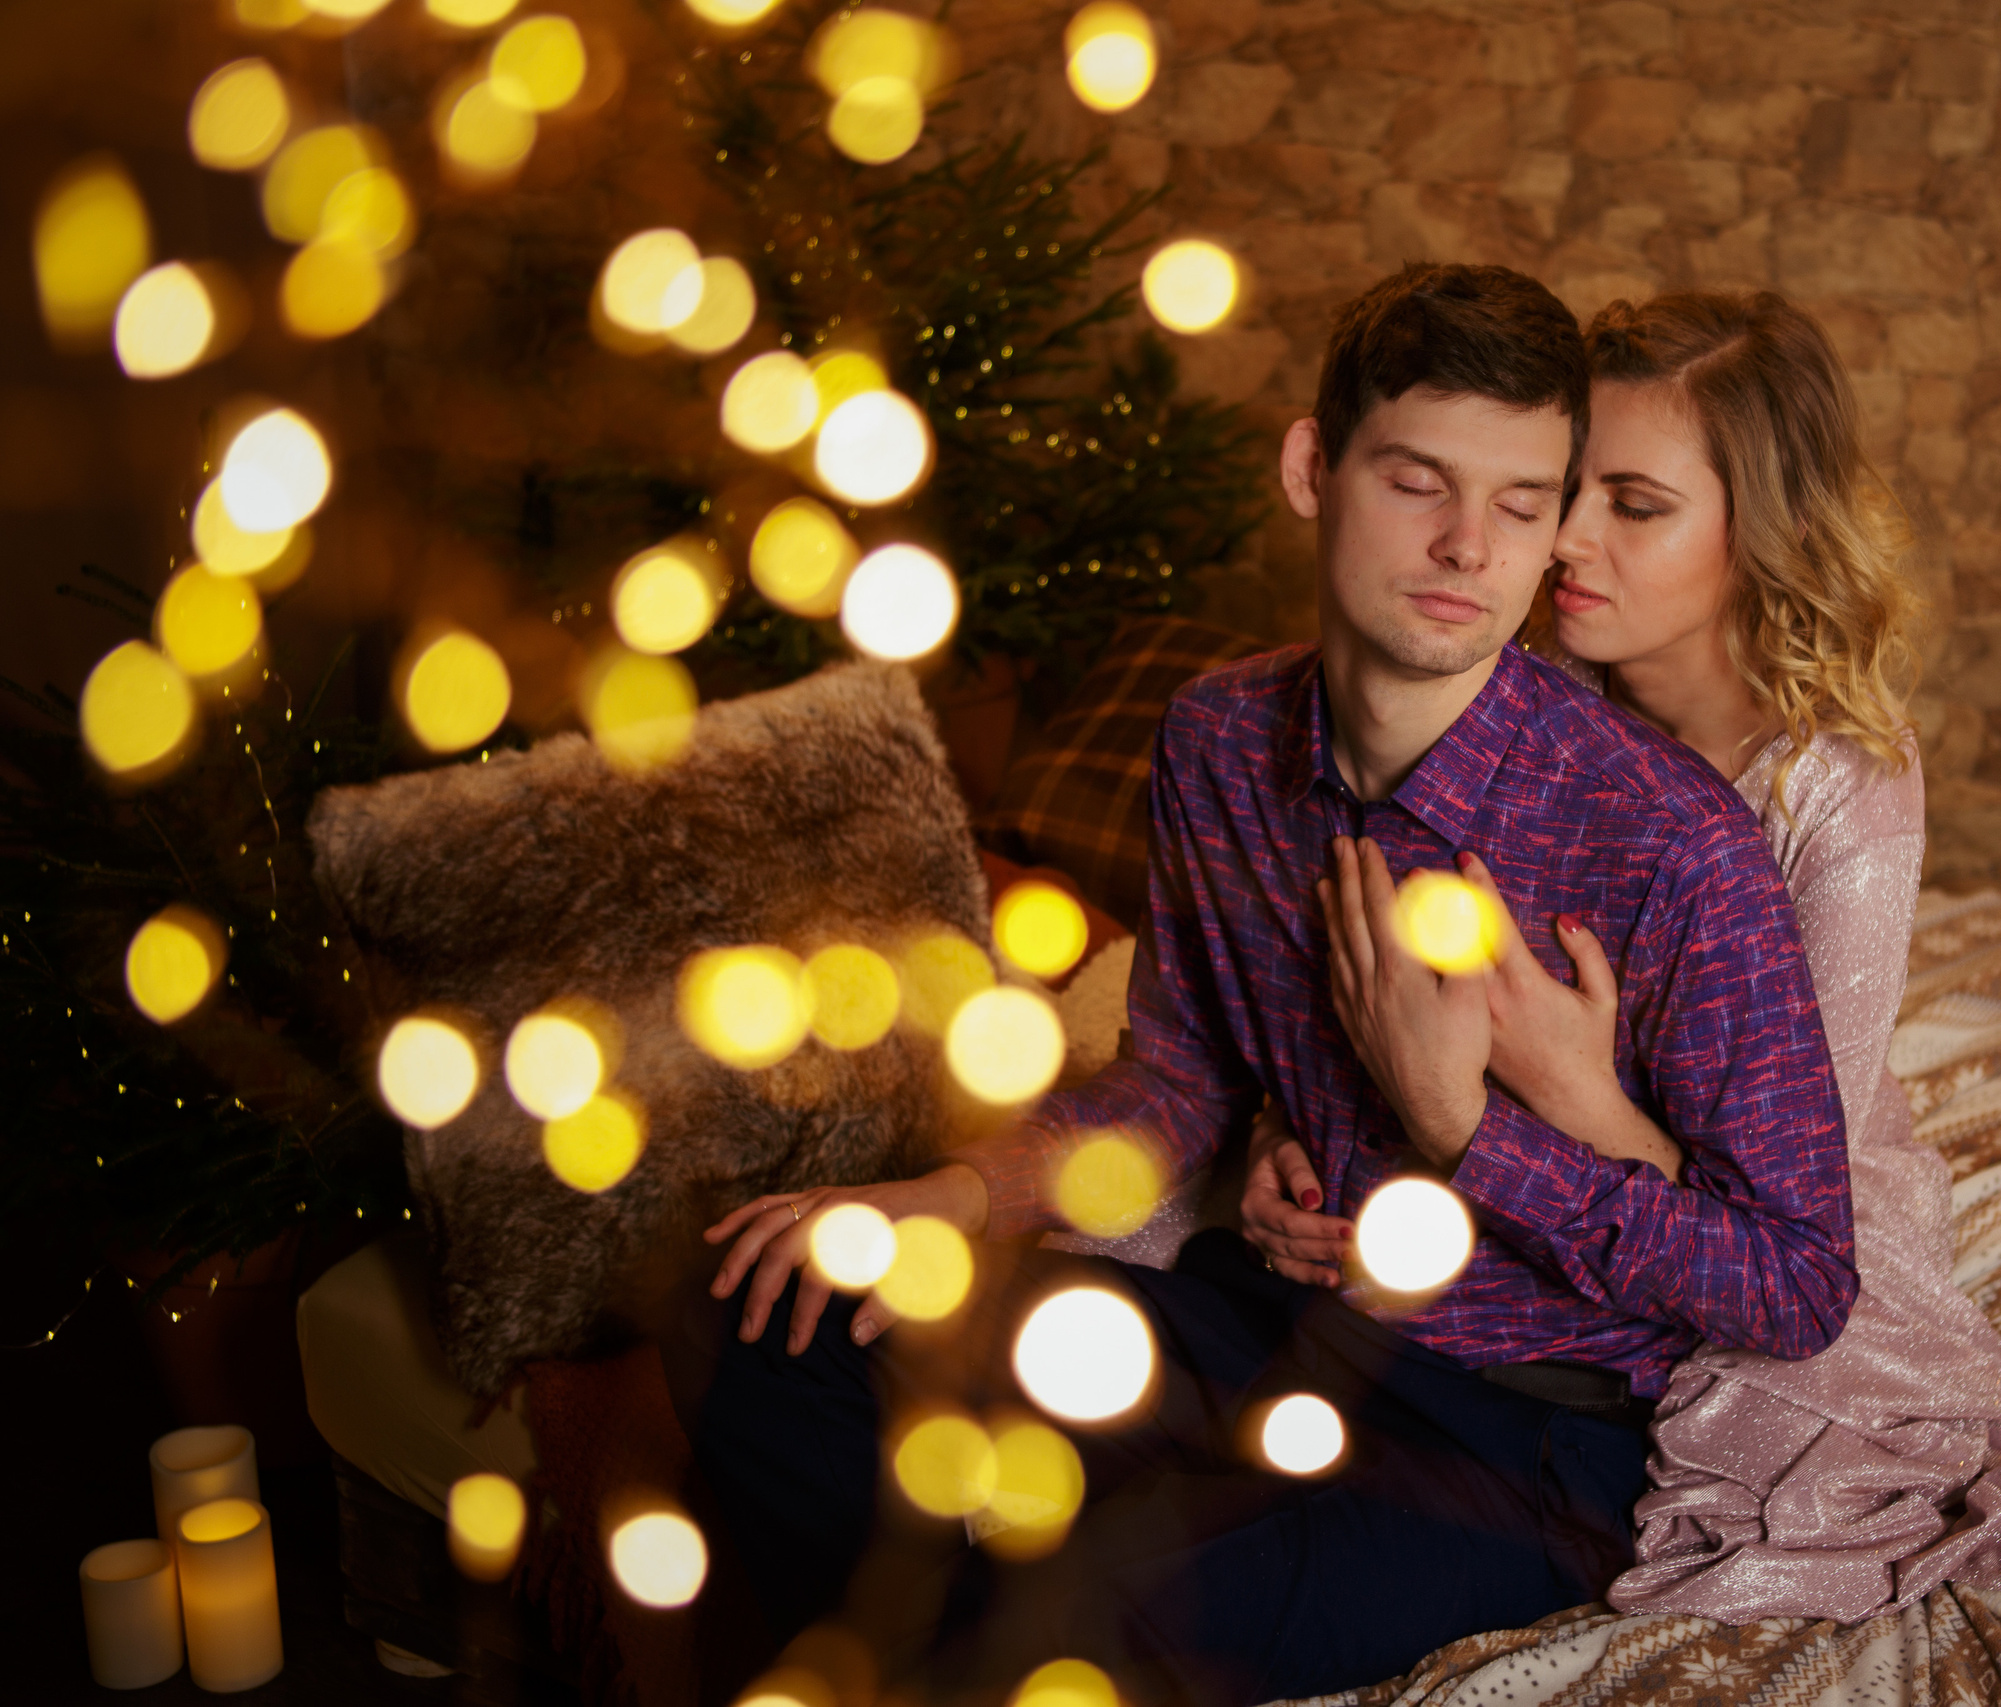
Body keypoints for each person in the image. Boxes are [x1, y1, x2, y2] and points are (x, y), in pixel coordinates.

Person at [687, 264, 1861, 1707]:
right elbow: (1174, 1079)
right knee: (776, 1321)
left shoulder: (1673, 845)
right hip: (1267, 1329)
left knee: (1070, 1624)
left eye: (1517, 503)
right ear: (1316, 468)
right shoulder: (1220, 739)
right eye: (1416, 481)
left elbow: (1797, 1284)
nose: (1463, 547)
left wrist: (1470, 1132)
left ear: (1556, 518)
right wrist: (952, 1201)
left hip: (1516, 1434)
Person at [1241, 289, 2001, 1626]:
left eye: (1637, 506)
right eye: (1567, 492)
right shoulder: (1509, 701)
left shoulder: (1840, 792)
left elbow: (1777, 1214)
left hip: (1748, 1205)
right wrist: (1281, 1129)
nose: (1569, 541)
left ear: (1755, 531)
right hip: (1487, 1166)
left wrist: (1571, 1086)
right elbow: (1356, 969)